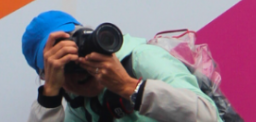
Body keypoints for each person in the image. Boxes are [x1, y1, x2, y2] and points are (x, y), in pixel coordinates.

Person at [22, 11, 222, 122]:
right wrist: (49, 98)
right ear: (48, 75)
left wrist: (130, 87)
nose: (80, 66)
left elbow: (208, 118)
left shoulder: (142, 60)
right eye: (63, 63)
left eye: (78, 50)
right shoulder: (80, 105)